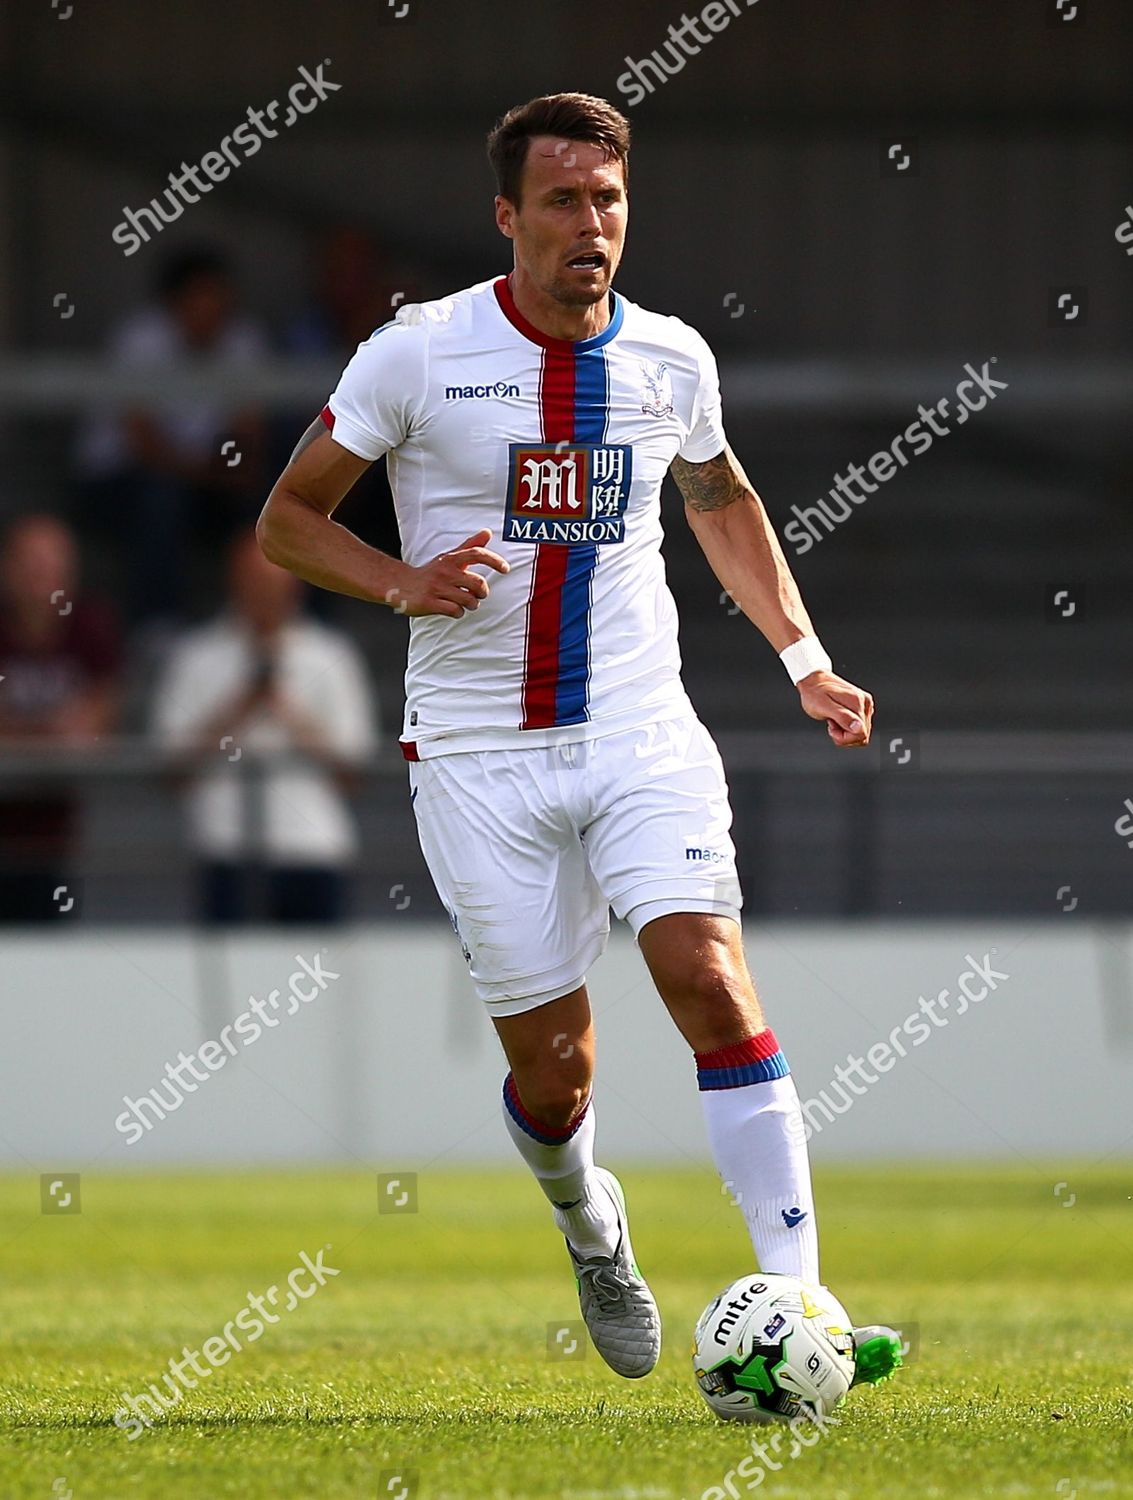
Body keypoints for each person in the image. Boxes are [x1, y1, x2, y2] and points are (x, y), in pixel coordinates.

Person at [256, 93, 901, 1387]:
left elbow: (719, 499)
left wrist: (804, 659)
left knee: (706, 976)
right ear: (508, 216)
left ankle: (801, 1302)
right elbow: (287, 519)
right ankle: (589, 1224)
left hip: (639, 729)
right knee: (555, 1079)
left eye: (607, 198)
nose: (589, 222)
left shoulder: (669, 358)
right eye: (562, 200)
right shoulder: (416, 354)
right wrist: (401, 581)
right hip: (476, 756)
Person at [151, 532, 377, 924]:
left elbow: (354, 767)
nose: (264, 594)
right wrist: (240, 706)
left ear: (296, 583)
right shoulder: (195, 656)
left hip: (311, 846)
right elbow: (169, 767)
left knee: (314, 962)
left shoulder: (332, 654)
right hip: (224, 844)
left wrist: (284, 710)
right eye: (254, 581)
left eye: (274, 582)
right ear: (233, 582)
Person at [76, 247, 268, 624]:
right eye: (201, 297)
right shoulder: (140, 339)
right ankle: (157, 623)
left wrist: (233, 471)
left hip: (201, 479)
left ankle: (266, 621)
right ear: (174, 302)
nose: (211, 310)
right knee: (161, 500)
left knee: (271, 501)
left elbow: (248, 438)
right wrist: (213, 474)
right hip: (115, 480)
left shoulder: (242, 340)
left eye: (220, 298)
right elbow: (144, 445)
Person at [0, 514, 122, 920]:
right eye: (32, 565)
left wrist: (17, 731)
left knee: (49, 939)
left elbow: (92, 733)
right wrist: (51, 732)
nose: (41, 578)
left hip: (57, 836)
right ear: (8, 568)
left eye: (52, 566)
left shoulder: (91, 628)